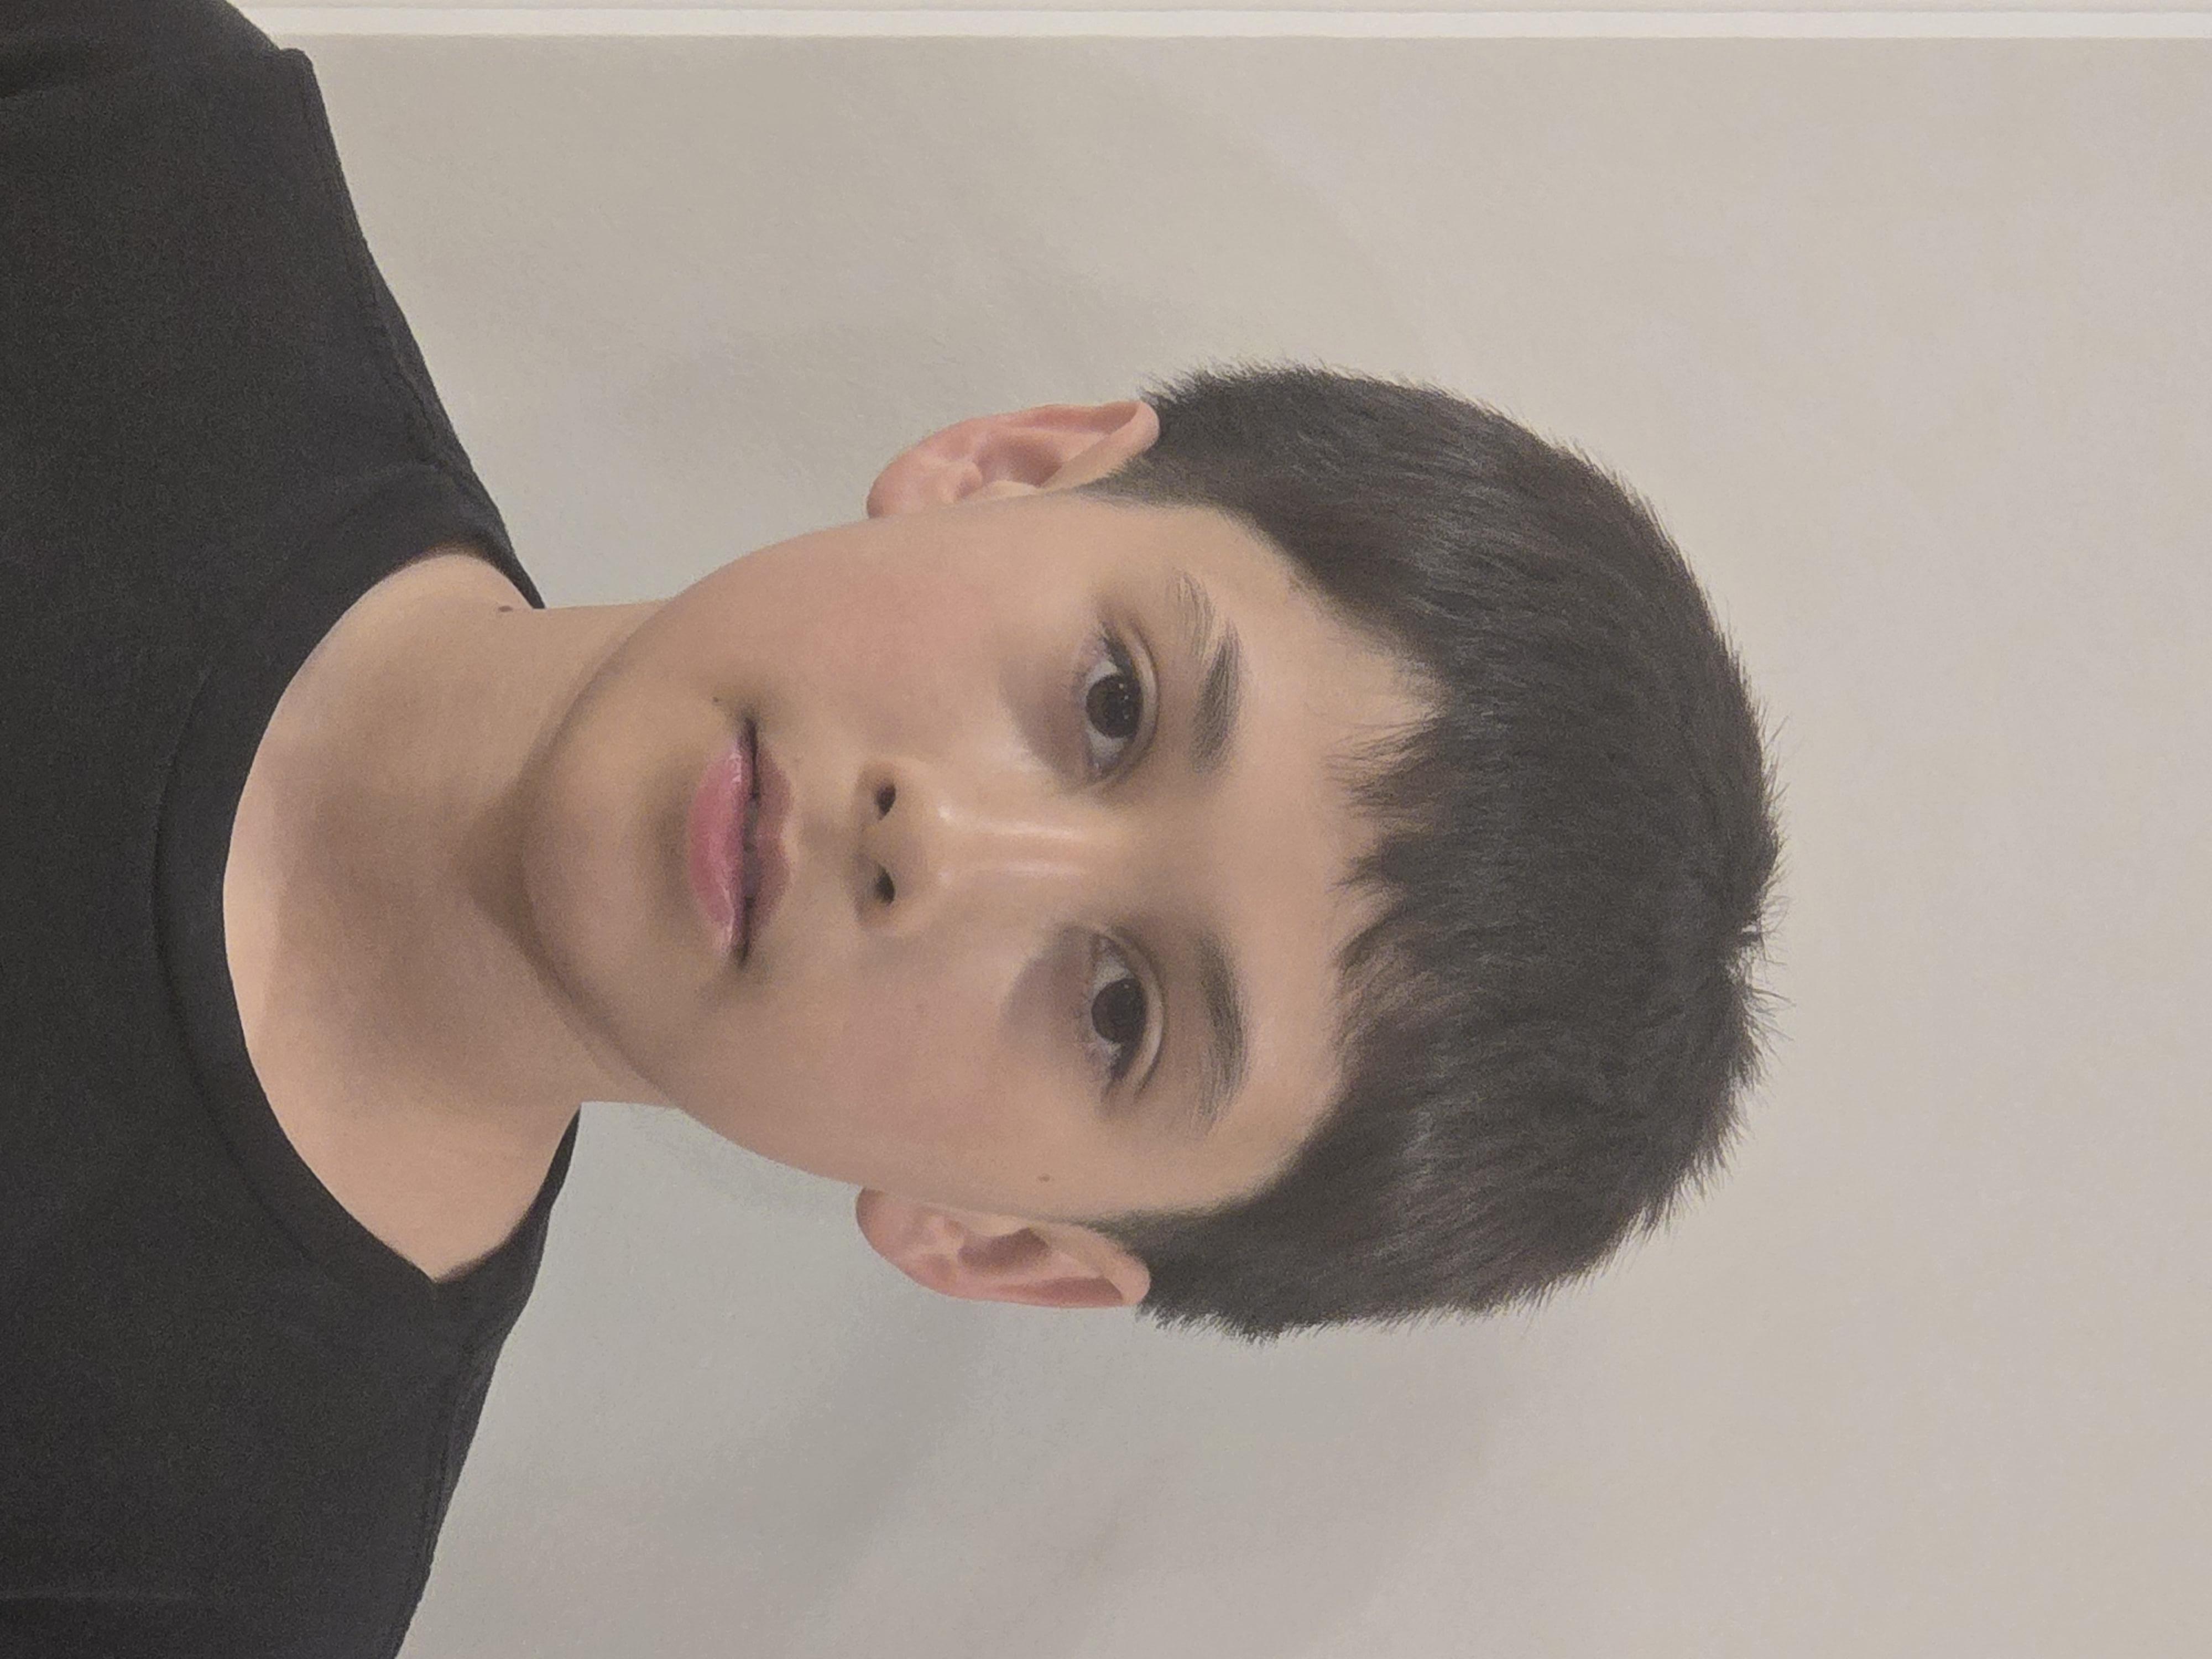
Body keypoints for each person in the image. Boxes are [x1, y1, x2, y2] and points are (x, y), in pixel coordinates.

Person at [1, 1, 1786, 1653]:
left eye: (1121, 1013)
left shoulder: (194, 1579)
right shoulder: (128, 154)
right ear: (1011, 468)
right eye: (1113, 705)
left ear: (994, 1242)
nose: (939, 851)